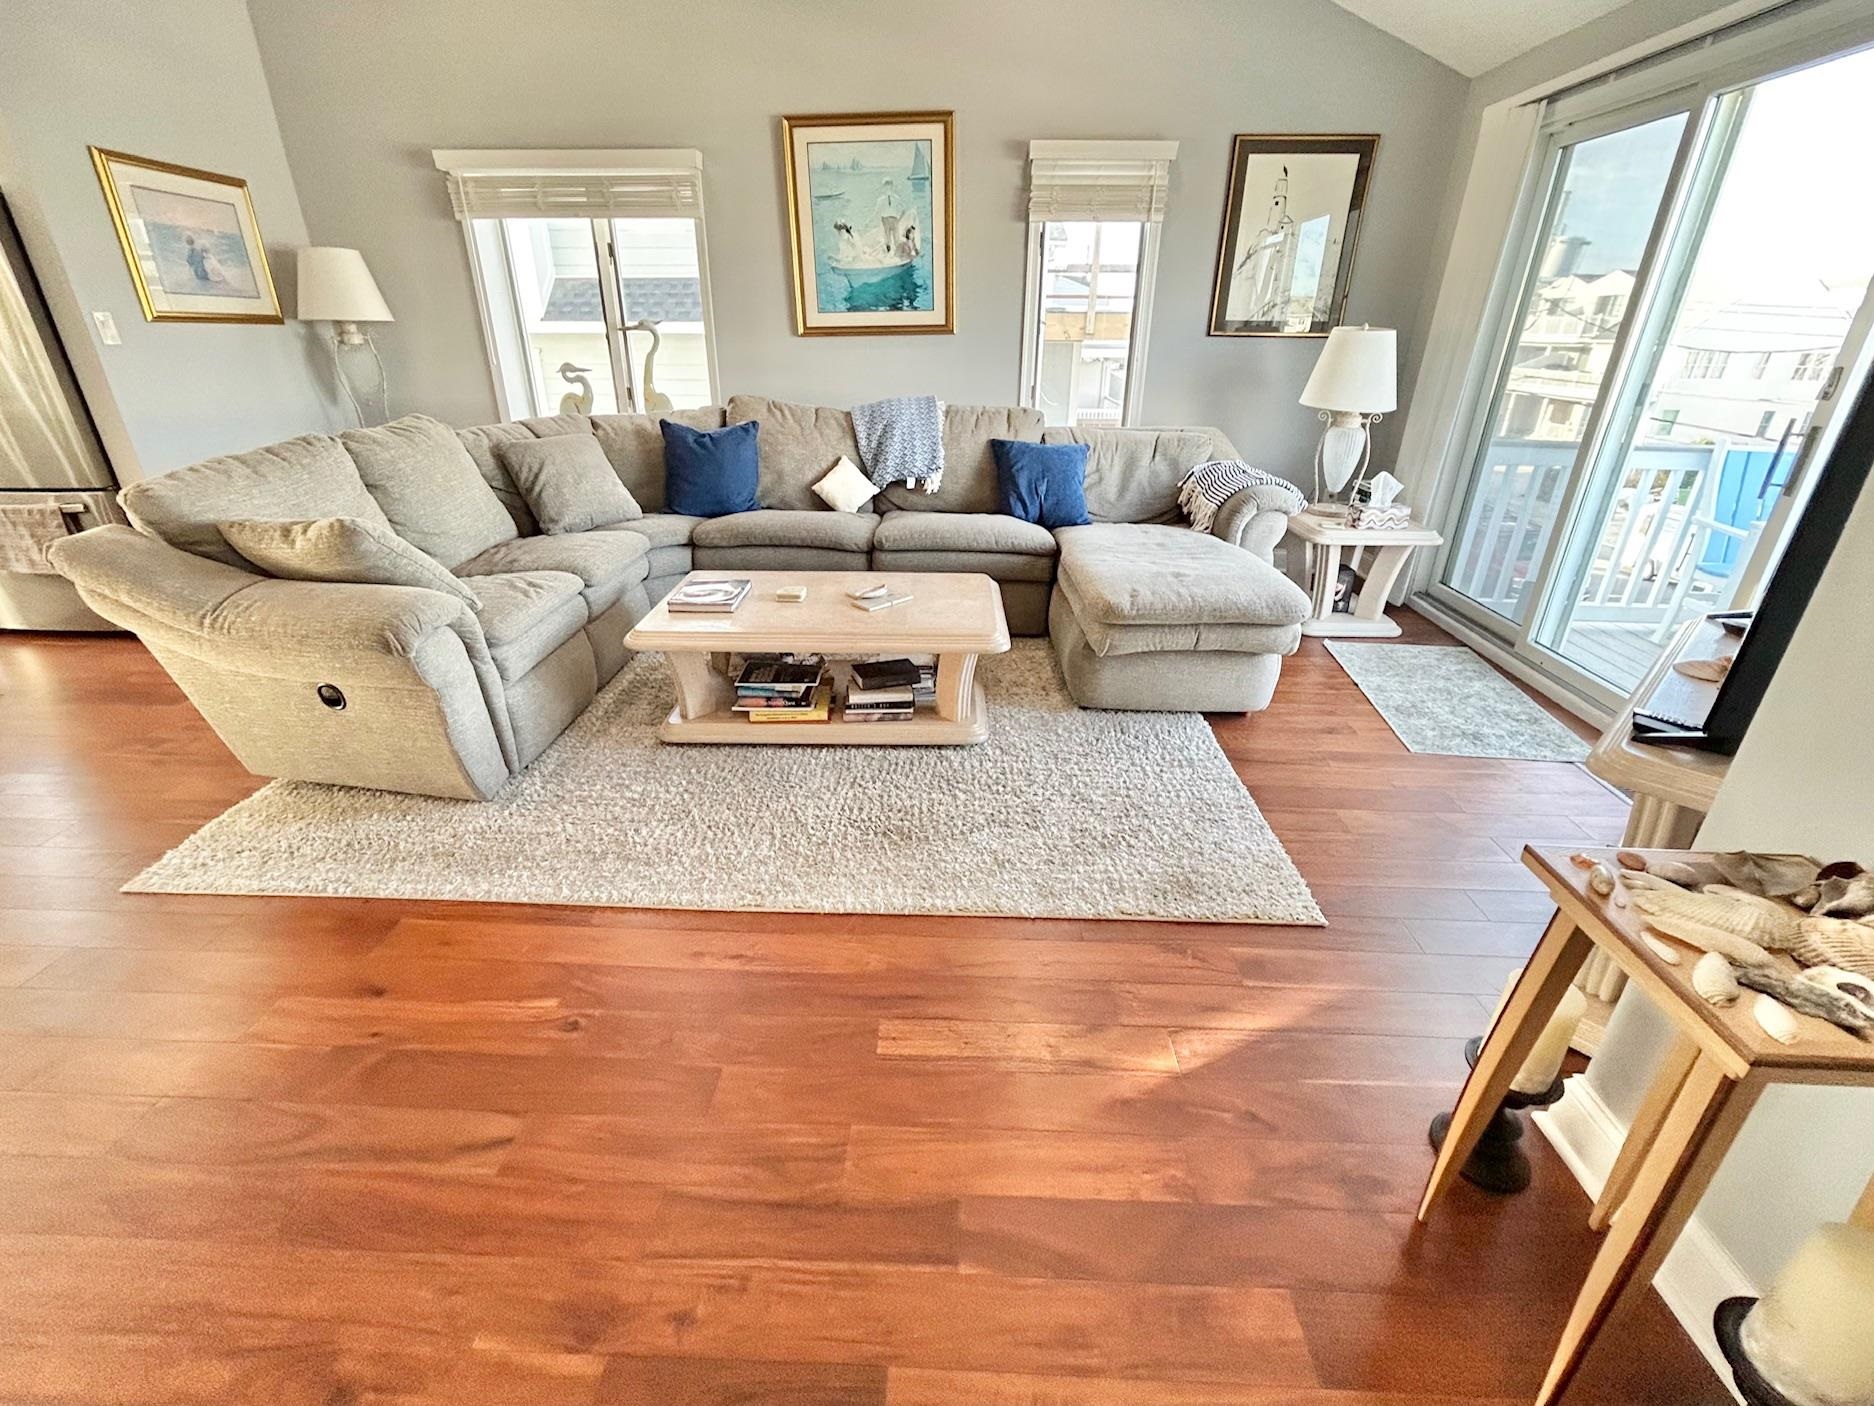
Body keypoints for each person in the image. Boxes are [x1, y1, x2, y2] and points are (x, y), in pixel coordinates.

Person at [875, 177, 904, 252]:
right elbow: (903, 209)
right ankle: (894, 253)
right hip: (893, 219)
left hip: (887, 220)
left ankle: (890, 252)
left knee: (888, 238)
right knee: (894, 238)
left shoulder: (881, 200)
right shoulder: (896, 198)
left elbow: (876, 212)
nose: (887, 188)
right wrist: (899, 219)